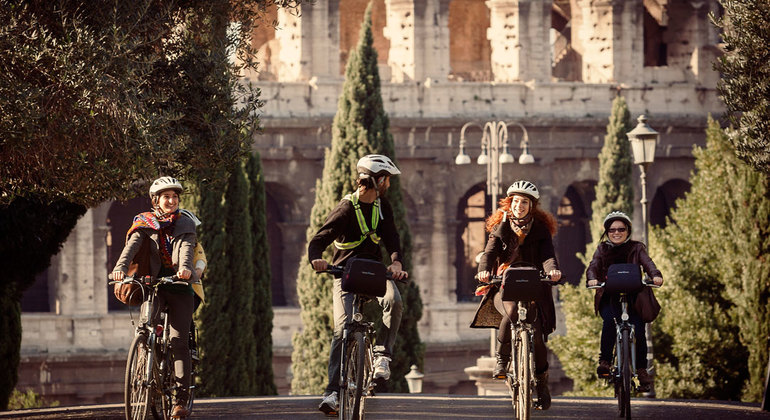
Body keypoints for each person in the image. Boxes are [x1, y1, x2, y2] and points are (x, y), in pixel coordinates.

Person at [308, 154, 409, 416]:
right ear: (377, 180)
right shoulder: (345, 209)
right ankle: (332, 392)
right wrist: (316, 259)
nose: (388, 184)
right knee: (342, 329)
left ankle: (382, 355)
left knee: (394, 300)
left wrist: (396, 263)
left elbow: (392, 239)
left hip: (374, 273)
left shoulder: (382, 206)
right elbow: (318, 240)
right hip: (345, 275)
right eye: (386, 179)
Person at [112, 176, 200, 418]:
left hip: (180, 287)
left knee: (178, 341)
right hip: (154, 286)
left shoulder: (186, 222)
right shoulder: (144, 222)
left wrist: (184, 270)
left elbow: (185, 248)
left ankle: (180, 401)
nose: (171, 201)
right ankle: (144, 363)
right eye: (166, 197)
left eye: (175, 197)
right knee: (146, 324)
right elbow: (132, 245)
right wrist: (120, 267)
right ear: (156, 200)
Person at [472, 180, 561, 410]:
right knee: (511, 312)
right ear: (509, 204)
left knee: (539, 337)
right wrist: (484, 270)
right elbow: (489, 253)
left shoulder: (540, 229)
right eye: (516, 202)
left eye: (525, 202)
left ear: (532, 206)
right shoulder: (500, 226)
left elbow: (548, 255)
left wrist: (552, 270)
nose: (519, 206)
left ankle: (541, 384)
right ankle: (501, 361)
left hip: (533, 285)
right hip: (505, 283)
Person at [586, 211, 664, 391]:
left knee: (638, 329)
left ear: (628, 231)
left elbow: (648, 263)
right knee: (609, 323)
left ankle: (642, 369)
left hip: (635, 297)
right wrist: (592, 279)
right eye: (612, 229)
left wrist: (656, 275)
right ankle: (605, 362)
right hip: (609, 296)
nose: (616, 232)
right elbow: (593, 267)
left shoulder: (637, 248)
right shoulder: (602, 249)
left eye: (621, 229)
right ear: (607, 232)